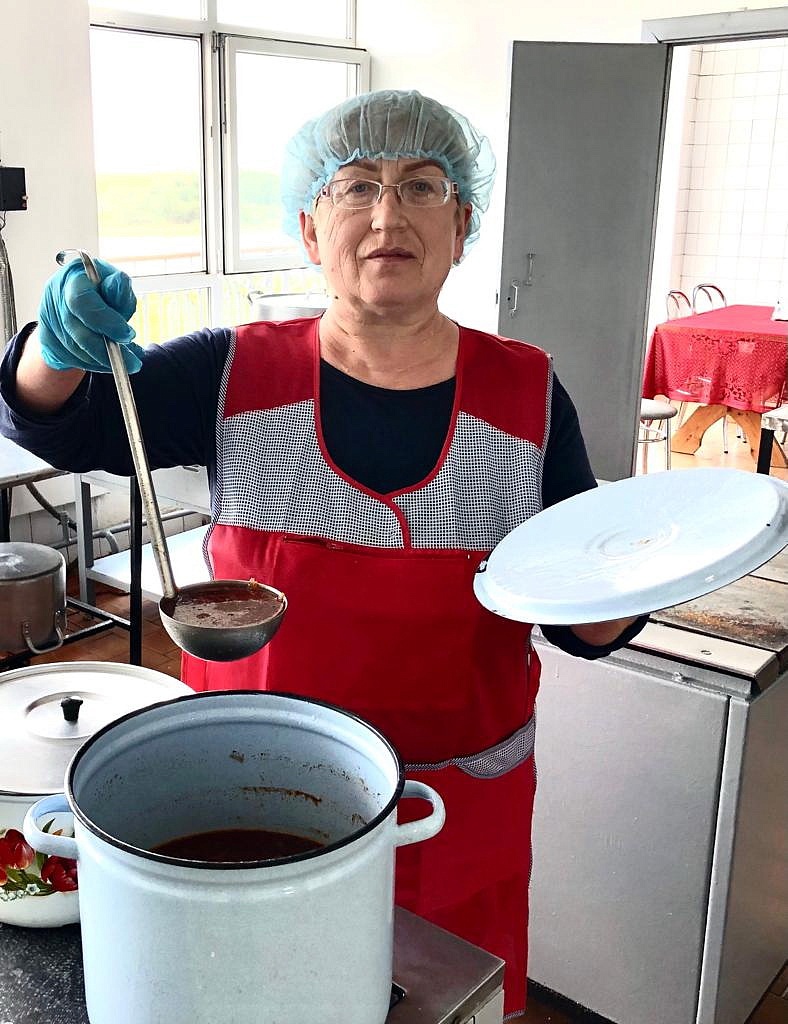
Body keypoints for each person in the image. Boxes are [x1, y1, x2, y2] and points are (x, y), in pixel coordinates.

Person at [0, 89, 646, 1019]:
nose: (387, 216)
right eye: (356, 187)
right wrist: (57, 349)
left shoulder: (531, 393)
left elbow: (586, 616)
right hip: (242, 795)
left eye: (421, 186)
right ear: (310, 227)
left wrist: (645, 577)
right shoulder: (229, 371)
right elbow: (61, 422)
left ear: (462, 226)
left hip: (456, 811)